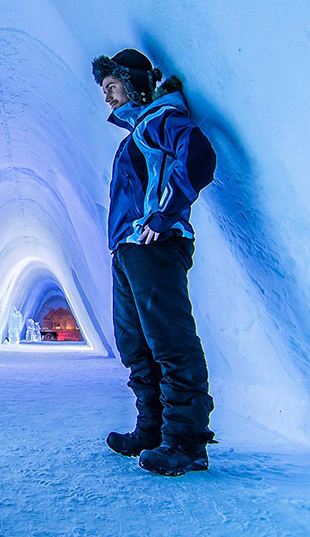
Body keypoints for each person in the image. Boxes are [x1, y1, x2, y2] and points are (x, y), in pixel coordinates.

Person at [92, 49, 217, 476]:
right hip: (129, 250)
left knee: (169, 341)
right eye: (104, 90)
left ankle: (185, 443)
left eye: (112, 86)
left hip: (155, 248)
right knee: (136, 345)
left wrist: (165, 215)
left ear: (135, 83)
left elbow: (198, 156)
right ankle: (153, 430)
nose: (108, 97)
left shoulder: (158, 120)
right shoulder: (136, 135)